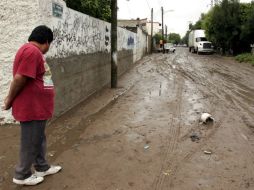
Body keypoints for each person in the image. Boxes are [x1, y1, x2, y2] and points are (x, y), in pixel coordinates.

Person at [3, 25, 61, 186]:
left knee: (38, 138)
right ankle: (22, 174)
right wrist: (9, 100)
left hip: (38, 107)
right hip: (32, 107)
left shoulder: (32, 51)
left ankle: (42, 167)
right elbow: (20, 78)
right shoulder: (31, 52)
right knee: (30, 141)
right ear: (47, 42)